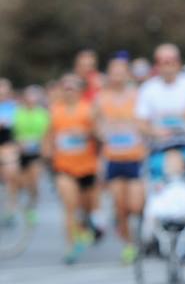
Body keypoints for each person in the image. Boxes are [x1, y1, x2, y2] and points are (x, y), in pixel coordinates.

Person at [96, 53, 146, 263]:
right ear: (109, 75)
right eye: (114, 72)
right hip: (113, 157)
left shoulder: (138, 95)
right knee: (120, 206)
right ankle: (129, 244)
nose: (117, 76)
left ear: (127, 74)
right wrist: (105, 132)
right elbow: (95, 125)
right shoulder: (101, 98)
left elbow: (146, 120)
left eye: (121, 72)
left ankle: (143, 235)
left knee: (136, 204)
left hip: (135, 156)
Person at [47, 74, 100, 264]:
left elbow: (100, 134)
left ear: (80, 90)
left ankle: (86, 225)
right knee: (69, 206)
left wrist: (86, 133)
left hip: (87, 166)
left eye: (73, 87)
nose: (69, 91)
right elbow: (48, 136)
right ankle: (70, 246)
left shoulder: (89, 110)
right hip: (64, 166)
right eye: (66, 88)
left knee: (86, 207)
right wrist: (46, 153)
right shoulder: (55, 110)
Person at [136, 43, 185, 178]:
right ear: (157, 65)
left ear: (179, 62)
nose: (168, 66)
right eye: (164, 62)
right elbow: (140, 122)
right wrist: (154, 132)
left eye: (172, 61)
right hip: (160, 148)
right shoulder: (148, 89)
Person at [12, 84, 50, 224]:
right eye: (29, 96)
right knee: (19, 182)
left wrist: (42, 146)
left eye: (34, 96)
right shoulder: (17, 112)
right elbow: (12, 132)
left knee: (34, 181)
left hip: (36, 152)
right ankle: (13, 207)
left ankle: (32, 207)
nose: (31, 99)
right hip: (20, 153)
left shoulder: (43, 114)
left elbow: (47, 134)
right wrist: (18, 142)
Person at [0, 78, 19, 224]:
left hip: (7, 143)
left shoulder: (13, 106)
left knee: (10, 174)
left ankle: (10, 208)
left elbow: (17, 127)